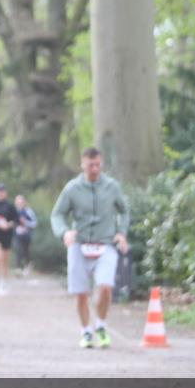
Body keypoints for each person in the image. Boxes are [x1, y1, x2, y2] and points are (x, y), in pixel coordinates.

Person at [50, 148, 129, 349]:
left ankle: (101, 325)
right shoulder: (72, 189)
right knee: (81, 293)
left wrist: (121, 232)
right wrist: (64, 232)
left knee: (105, 287)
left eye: (98, 165)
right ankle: (86, 331)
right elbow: (57, 215)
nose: (95, 169)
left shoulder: (112, 187)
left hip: (106, 244)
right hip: (79, 244)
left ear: (101, 164)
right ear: (82, 165)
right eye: (90, 165)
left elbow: (124, 211)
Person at [13, 194, 37, 276]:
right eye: (17, 202)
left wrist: (25, 222)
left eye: (21, 202)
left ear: (24, 202)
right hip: (17, 235)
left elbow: (34, 223)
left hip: (26, 235)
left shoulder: (29, 211)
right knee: (18, 250)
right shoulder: (14, 211)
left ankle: (28, 265)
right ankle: (18, 268)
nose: (19, 203)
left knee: (26, 252)